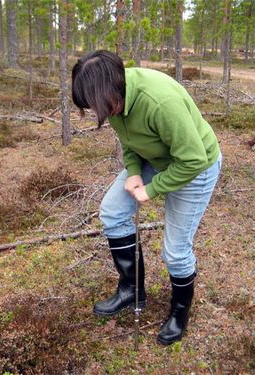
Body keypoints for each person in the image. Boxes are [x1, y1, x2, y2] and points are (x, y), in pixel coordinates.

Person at [71, 50, 222, 345]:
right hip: (156, 157)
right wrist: (134, 171)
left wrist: (151, 190)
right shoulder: (114, 100)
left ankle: (179, 313)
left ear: (111, 90)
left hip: (196, 166)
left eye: (94, 105)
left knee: (176, 252)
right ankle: (132, 291)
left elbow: (192, 160)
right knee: (113, 212)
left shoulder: (160, 102)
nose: (94, 111)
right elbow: (128, 139)